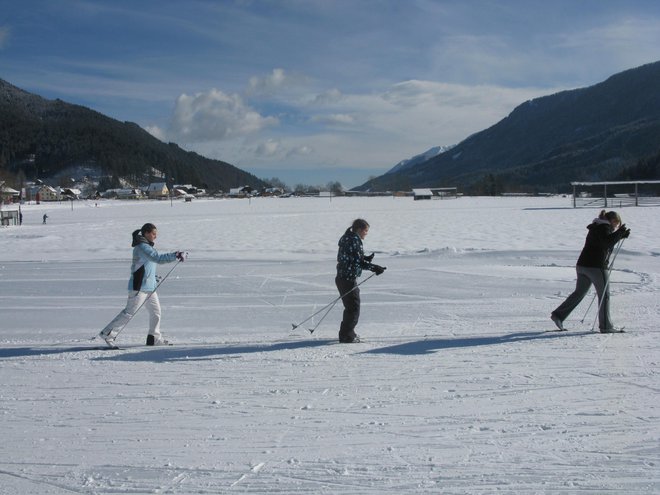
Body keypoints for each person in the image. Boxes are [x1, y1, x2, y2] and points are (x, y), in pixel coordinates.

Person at [99, 223, 185, 347]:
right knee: (129, 312)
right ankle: (108, 334)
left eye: (156, 234)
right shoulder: (142, 247)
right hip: (139, 287)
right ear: (146, 233)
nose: (155, 236)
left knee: (156, 312)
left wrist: (153, 278)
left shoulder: (146, 247)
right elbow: (157, 258)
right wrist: (175, 255)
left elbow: (147, 266)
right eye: (153, 234)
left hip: (149, 287)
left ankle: (153, 338)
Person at [551, 210, 630, 333]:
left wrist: (619, 235)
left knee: (579, 293)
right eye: (616, 223)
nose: (616, 226)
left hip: (582, 265)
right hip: (596, 267)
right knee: (604, 295)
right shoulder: (605, 227)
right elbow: (606, 243)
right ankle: (606, 327)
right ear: (612, 221)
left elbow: (604, 242)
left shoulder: (596, 226)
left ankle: (558, 315)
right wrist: (619, 234)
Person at [335, 219, 386, 343]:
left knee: (351, 307)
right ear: (359, 229)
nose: (366, 233)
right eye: (366, 230)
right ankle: (347, 336)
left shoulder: (347, 237)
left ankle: (346, 333)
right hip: (347, 279)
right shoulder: (354, 240)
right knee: (353, 308)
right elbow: (356, 262)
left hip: (343, 277)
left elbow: (351, 257)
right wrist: (374, 267)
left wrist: (365, 258)